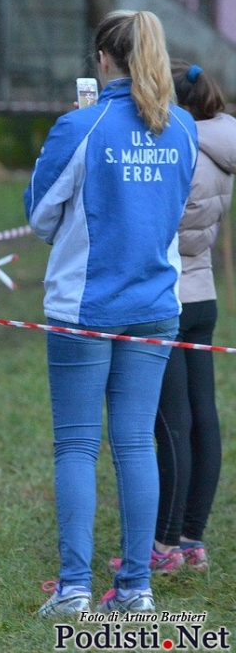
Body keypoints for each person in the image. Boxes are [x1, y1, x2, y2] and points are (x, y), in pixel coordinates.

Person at [25, 10, 197, 617]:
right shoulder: (181, 126)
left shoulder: (81, 124)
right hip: (155, 305)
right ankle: (135, 590)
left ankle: (74, 591)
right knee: (134, 445)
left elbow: (40, 215)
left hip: (85, 304)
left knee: (76, 446)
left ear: (102, 61)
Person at [144, 61, 233, 573]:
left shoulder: (173, 149)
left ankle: (164, 546)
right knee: (205, 420)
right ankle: (193, 539)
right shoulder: (224, 146)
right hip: (204, 297)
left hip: (165, 298)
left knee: (171, 425)